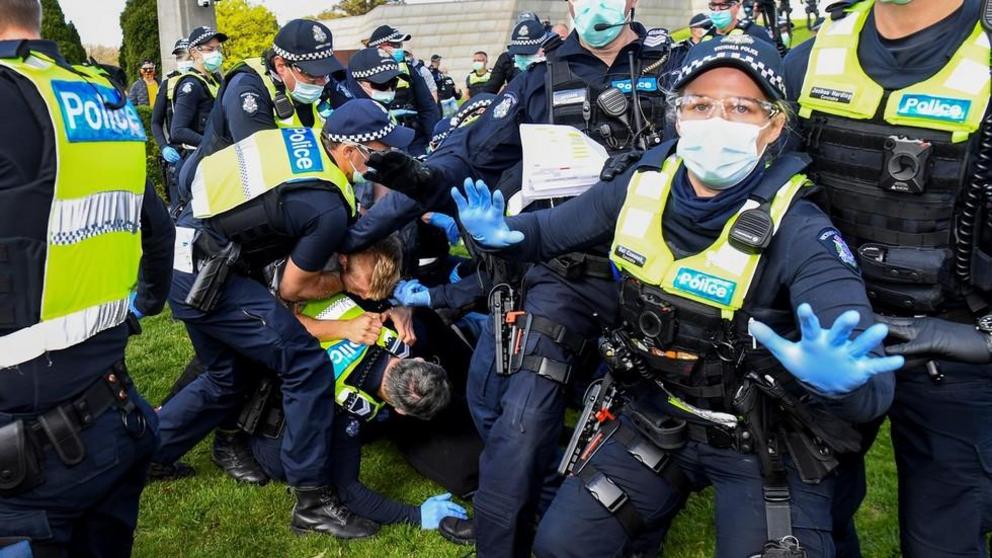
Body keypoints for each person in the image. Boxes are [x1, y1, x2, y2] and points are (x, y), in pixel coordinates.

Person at [453, 33, 901, 558]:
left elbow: (871, 388)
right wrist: (507, 234)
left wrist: (843, 384)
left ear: (774, 124)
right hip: (656, 415)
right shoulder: (644, 182)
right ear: (678, 116)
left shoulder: (802, 231)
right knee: (562, 546)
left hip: (760, 439)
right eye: (701, 104)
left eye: (740, 107)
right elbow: (552, 231)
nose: (717, 121)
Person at [347, 1, 684, 554]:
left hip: (660, 275)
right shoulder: (538, 79)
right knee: (521, 425)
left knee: (652, 429)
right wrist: (423, 178)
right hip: (565, 272)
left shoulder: (676, 64)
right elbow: (471, 158)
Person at [784, 0, 992, 555]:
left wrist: (979, 339)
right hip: (832, 336)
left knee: (943, 539)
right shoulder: (813, 55)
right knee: (809, 522)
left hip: (955, 352)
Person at [152, 100, 414, 539]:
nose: (386, 160)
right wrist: (344, 285)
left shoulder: (304, 140)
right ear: (352, 151)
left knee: (225, 377)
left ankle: (151, 453)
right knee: (306, 365)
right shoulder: (329, 207)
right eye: (382, 150)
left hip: (188, 252)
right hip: (209, 274)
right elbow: (292, 289)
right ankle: (314, 501)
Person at [0, 0, 174, 554]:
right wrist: (138, 304)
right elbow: (157, 230)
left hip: (28, 460)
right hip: (108, 406)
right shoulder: (95, 93)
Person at [173, 18, 350, 214]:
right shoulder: (247, 88)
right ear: (281, 66)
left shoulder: (310, 80)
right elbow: (263, 165)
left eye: (325, 73)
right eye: (313, 75)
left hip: (261, 183)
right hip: (213, 189)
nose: (322, 81)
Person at [366, 25, 440, 156]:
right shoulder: (362, 72)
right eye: (395, 45)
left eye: (399, 44)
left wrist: (434, 139)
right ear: (380, 47)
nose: (399, 49)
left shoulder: (409, 69)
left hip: (413, 138)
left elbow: (427, 106)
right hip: (381, 141)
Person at [169, 26, 226, 159]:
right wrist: (212, 145)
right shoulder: (191, 85)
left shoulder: (215, 80)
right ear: (194, 53)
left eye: (218, 49)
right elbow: (177, 131)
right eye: (210, 49)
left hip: (218, 155)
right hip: (200, 157)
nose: (216, 53)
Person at [150, 37, 192, 206]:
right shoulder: (168, 84)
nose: (183, 61)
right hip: (178, 154)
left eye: (186, 56)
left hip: (204, 150)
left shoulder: (210, 81)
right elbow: (155, 122)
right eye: (179, 57)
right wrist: (163, 147)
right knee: (180, 208)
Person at [703, 0, 775, 44]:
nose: (717, 10)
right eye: (713, 5)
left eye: (723, 5)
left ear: (737, 6)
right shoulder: (706, 39)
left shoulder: (756, 33)